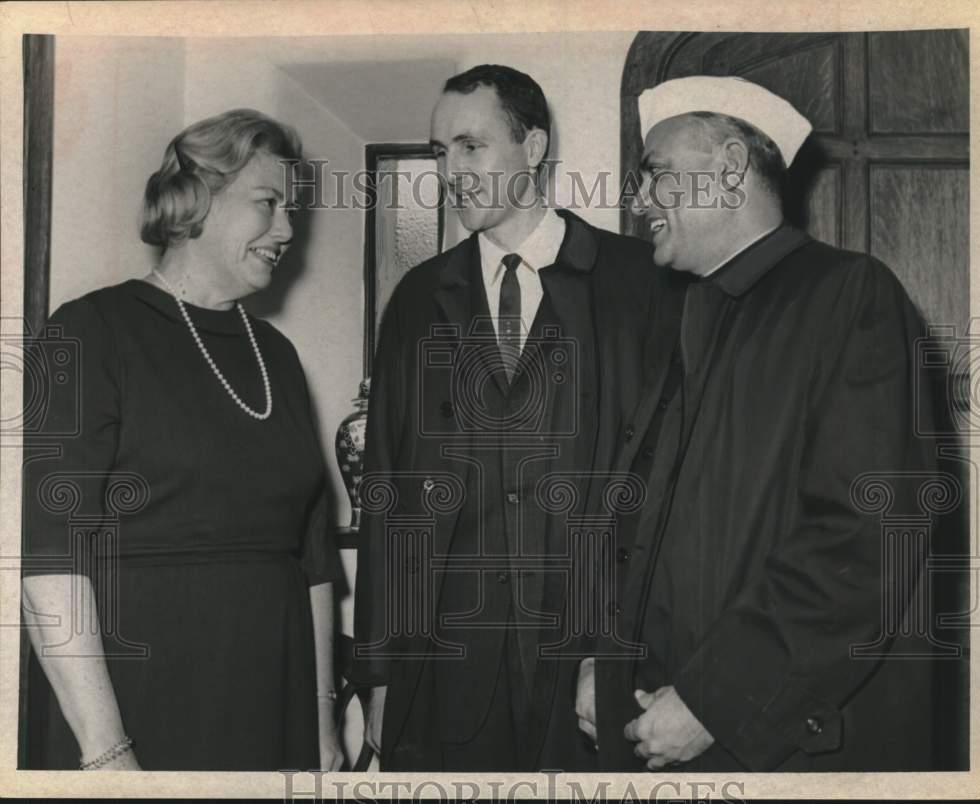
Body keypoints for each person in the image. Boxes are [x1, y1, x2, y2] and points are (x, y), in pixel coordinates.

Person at [576, 76, 942, 771]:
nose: (637, 201)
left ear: (731, 165)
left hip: (769, 744)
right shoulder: (681, 316)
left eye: (654, 175)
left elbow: (863, 540)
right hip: (659, 726)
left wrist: (717, 700)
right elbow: (632, 529)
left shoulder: (850, 296)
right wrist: (602, 664)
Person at [350, 64, 660, 771]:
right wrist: (377, 675)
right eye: (439, 151)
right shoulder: (418, 300)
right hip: (449, 672)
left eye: (471, 146)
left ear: (534, 146)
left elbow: (666, 489)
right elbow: (387, 498)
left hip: (592, 662)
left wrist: (632, 657)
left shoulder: (639, 283)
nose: (451, 170)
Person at [21, 109, 343, 771]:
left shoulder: (277, 355)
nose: (286, 230)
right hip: (140, 706)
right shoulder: (90, 332)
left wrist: (321, 716)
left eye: (293, 210)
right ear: (197, 199)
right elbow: (48, 560)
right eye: (267, 204)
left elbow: (314, 563)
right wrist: (108, 753)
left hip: (271, 705)